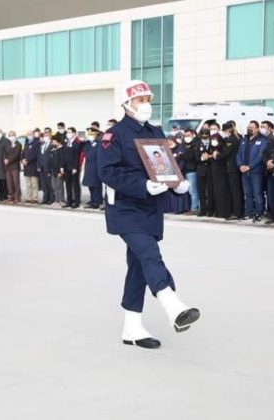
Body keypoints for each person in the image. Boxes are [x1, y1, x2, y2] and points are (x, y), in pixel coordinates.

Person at [98, 80, 200, 350]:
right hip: (126, 208)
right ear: (126, 104)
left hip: (151, 209)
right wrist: (142, 185)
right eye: (140, 100)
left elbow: (164, 165)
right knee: (149, 254)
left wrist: (177, 185)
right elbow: (108, 172)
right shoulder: (114, 134)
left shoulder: (155, 131)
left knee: (138, 266)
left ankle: (132, 327)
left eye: (147, 99)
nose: (146, 104)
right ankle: (173, 305)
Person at [236, 120, 268, 223]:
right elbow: (238, 154)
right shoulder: (244, 140)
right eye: (248, 127)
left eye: (252, 127)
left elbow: (260, 155)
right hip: (244, 172)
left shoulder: (262, 140)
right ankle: (249, 213)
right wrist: (240, 165)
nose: (249, 129)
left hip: (255, 171)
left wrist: (249, 166)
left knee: (257, 193)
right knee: (247, 193)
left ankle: (259, 213)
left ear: (257, 129)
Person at [180, 128, 200, 215]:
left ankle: (194, 208)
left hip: (192, 169)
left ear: (193, 135)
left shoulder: (195, 144)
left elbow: (190, 157)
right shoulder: (184, 144)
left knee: (193, 190)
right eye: (185, 136)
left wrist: (182, 155)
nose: (186, 137)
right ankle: (190, 207)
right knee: (188, 190)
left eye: (188, 135)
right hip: (185, 169)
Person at [62, 127, 84, 208]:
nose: (68, 134)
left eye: (70, 132)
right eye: (67, 132)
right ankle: (69, 201)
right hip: (66, 167)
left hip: (74, 167)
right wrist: (62, 166)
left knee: (75, 185)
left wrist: (75, 167)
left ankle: (77, 201)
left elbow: (77, 156)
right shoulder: (67, 142)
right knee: (67, 185)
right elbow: (64, 155)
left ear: (74, 133)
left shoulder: (77, 142)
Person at [82, 126, 103, 209]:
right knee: (90, 184)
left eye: (92, 134)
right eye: (89, 134)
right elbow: (85, 151)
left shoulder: (99, 143)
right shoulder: (88, 143)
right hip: (88, 166)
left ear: (96, 134)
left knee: (96, 185)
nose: (90, 136)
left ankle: (97, 201)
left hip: (96, 166)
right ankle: (93, 199)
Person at [22, 129, 41, 204]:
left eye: (31, 134)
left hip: (33, 165)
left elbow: (36, 154)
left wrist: (27, 160)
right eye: (28, 134)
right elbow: (23, 153)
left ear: (33, 135)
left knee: (34, 184)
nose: (29, 136)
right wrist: (22, 159)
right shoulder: (26, 143)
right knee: (28, 184)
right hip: (26, 167)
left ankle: (35, 198)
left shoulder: (37, 143)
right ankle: (28, 197)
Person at [4, 130, 23, 204]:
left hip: (15, 166)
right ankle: (11, 196)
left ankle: (17, 197)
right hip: (8, 167)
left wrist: (8, 160)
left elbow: (16, 154)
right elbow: (4, 152)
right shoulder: (7, 144)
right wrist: (5, 159)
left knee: (16, 182)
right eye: (10, 135)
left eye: (12, 135)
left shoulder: (18, 144)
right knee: (9, 182)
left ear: (15, 136)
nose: (11, 137)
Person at [38, 132, 55, 205]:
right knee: (44, 184)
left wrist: (50, 169)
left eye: (47, 136)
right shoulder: (42, 145)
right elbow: (39, 156)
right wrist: (38, 166)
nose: (45, 137)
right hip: (42, 168)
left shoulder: (52, 146)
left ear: (50, 137)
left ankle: (51, 198)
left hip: (48, 168)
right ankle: (45, 198)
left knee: (49, 184)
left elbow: (52, 159)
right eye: (44, 136)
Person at [49, 136, 66, 206]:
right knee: (54, 186)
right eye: (52, 142)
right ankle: (56, 199)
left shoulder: (62, 150)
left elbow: (62, 161)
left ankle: (61, 200)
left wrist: (61, 171)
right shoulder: (53, 150)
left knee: (60, 186)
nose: (53, 143)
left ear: (58, 142)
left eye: (54, 142)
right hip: (53, 171)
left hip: (59, 171)